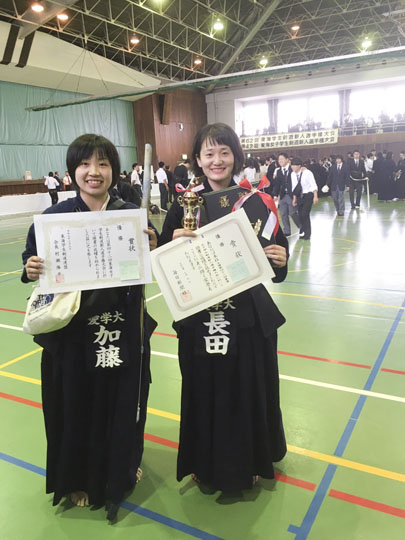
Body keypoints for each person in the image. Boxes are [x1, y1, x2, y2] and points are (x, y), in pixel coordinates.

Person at [22, 134, 158, 521]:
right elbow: (32, 261)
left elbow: (151, 264)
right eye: (85, 164)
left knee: (120, 405)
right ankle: (78, 478)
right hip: (72, 336)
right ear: (73, 170)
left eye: (102, 164)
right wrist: (31, 267)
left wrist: (153, 243)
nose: (93, 172)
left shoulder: (131, 213)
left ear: (114, 171)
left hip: (120, 329)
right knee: (75, 405)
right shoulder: (54, 218)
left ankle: (119, 469)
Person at [159, 122, 288, 492]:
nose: (217, 160)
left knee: (249, 388)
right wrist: (171, 242)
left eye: (224, 152)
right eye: (209, 153)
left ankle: (250, 460)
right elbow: (164, 262)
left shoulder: (257, 202)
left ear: (235, 156)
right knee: (204, 388)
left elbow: (277, 258)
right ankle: (204, 460)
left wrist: (280, 259)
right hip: (200, 318)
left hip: (248, 318)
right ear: (198, 159)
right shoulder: (184, 204)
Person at [273, 153, 301, 237]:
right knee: (283, 214)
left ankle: (301, 227)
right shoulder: (278, 171)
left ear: (287, 160)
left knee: (292, 213)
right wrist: (275, 195)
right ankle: (287, 231)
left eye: (282, 159)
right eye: (279, 159)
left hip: (291, 195)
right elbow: (277, 184)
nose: (280, 161)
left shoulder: (292, 168)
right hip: (282, 195)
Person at [290, 157, 318, 239]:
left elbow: (313, 184)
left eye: (295, 165)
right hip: (299, 196)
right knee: (301, 215)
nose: (293, 167)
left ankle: (307, 233)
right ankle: (303, 231)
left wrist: (315, 196)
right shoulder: (292, 174)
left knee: (305, 214)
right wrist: (294, 199)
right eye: (292, 165)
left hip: (308, 195)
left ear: (299, 166)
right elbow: (294, 188)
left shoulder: (307, 173)